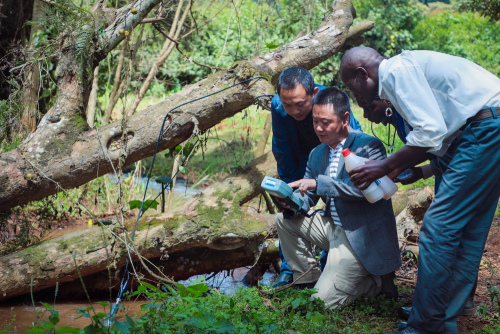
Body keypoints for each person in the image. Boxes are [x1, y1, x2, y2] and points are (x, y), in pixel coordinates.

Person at [340, 46, 500, 334]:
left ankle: (427, 325)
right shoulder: (406, 68)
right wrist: (422, 171)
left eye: (353, 90)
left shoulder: (396, 73)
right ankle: (443, 310)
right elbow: (446, 138)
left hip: (486, 130)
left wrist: (382, 167)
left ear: (363, 75)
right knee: (468, 230)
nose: (359, 99)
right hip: (486, 129)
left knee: (439, 230)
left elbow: (430, 132)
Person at [275, 87, 401, 309]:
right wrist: (290, 202)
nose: (319, 128)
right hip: (333, 228)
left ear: (344, 118)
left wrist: (318, 183)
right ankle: (308, 277)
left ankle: (374, 283)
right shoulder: (317, 154)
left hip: (361, 237)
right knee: (283, 220)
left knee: (320, 304)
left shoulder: (368, 146)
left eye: (325, 122)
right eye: (315, 122)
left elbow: (366, 193)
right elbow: (309, 198)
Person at [270, 67, 362, 287]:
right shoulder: (278, 106)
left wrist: (326, 180)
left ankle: (330, 256)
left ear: (314, 93)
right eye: (287, 104)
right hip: (301, 154)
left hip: (333, 151)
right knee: (290, 205)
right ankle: (291, 269)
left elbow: (354, 142)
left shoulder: (332, 105)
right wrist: (289, 193)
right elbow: (283, 150)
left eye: (300, 104)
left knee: (337, 198)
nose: (294, 110)